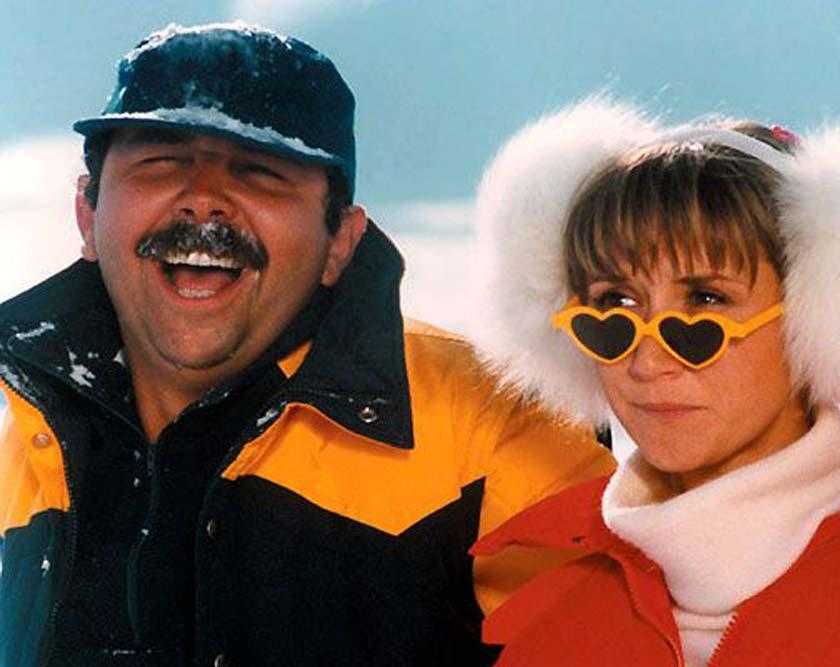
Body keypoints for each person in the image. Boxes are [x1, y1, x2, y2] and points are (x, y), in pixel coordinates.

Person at [0, 23, 614, 666]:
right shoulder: (42, 431)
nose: (204, 200)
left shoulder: (497, 422)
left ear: (339, 243)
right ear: (87, 215)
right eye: (161, 163)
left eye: (260, 172)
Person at [466, 99, 840, 665]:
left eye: (706, 301)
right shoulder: (551, 629)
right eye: (614, 306)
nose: (647, 361)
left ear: (820, 314)